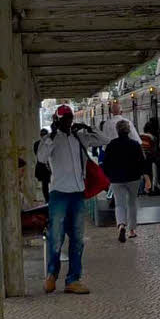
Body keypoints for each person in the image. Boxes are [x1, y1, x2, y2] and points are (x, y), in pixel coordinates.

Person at [36, 104, 105, 295]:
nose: (68, 121)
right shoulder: (50, 139)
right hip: (59, 193)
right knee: (55, 236)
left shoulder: (78, 137)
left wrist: (89, 128)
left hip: (77, 194)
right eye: (64, 118)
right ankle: (51, 275)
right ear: (57, 120)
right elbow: (41, 157)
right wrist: (51, 134)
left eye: (70, 117)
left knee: (77, 239)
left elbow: (104, 139)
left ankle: (73, 280)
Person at [102, 119, 152, 242]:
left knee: (119, 204)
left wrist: (109, 176)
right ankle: (132, 230)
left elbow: (106, 163)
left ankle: (121, 225)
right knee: (132, 203)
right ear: (129, 131)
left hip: (116, 179)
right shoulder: (135, 144)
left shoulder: (111, 145)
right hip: (133, 178)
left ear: (117, 131)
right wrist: (146, 177)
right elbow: (142, 162)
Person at [33, 128, 51, 202]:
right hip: (46, 167)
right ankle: (48, 199)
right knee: (47, 184)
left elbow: (36, 154)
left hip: (41, 167)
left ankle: (47, 200)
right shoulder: (48, 143)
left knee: (45, 184)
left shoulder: (37, 144)